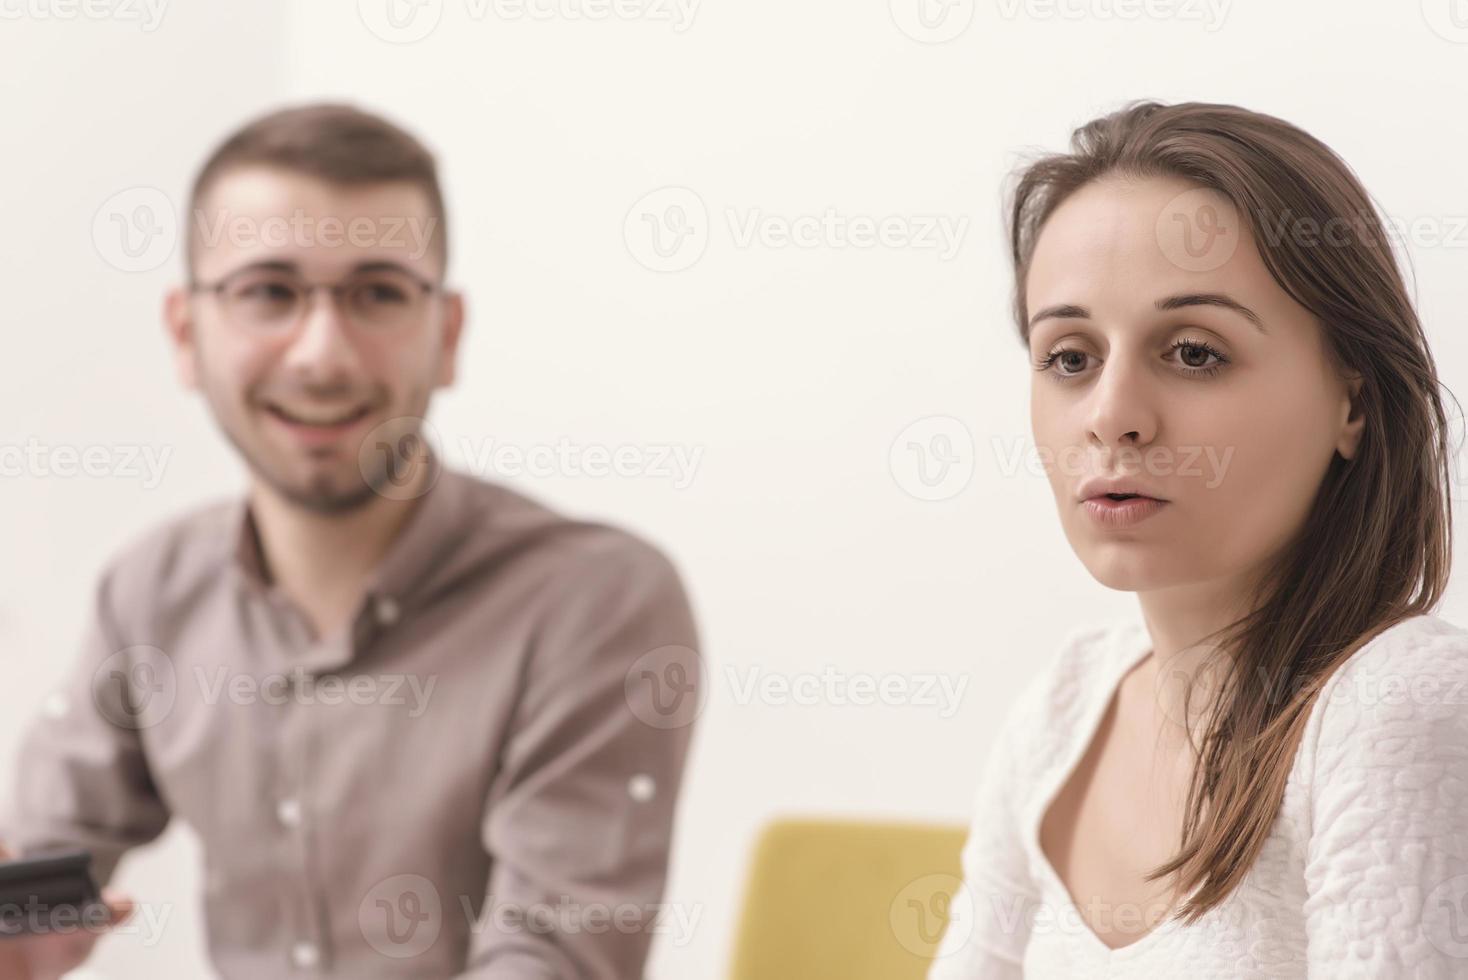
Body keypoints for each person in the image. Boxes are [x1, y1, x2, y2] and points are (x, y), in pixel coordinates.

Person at [0, 102, 702, 979]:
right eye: (268, 292)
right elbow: (40, 881)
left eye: (378, 292)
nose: (322, 355)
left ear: (446, 336)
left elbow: (552, 957)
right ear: (187, 334)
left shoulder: (594, 601)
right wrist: (18, 928)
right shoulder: (152, 589)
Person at [928, 100, 1468, 978]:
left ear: (1354, 404)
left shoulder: (1396, 705)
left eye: (1192, 352)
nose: (1112, 417)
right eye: (1069, 357)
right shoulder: (1060, 710)